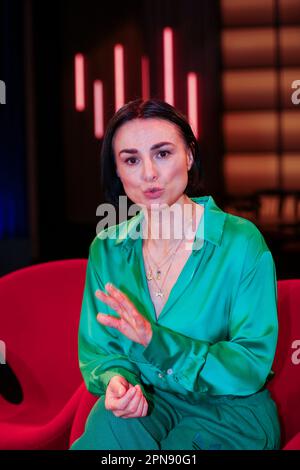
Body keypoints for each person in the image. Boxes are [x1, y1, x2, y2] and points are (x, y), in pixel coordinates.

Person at [69, 98, 281, 450]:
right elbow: (101, 351)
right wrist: (116, 382)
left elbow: (250, 363)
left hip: (229, 410)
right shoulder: (106, 249)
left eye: (163, 153)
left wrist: (156, 342)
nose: (149, 173)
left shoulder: (241, 243)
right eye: (132, 160)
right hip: (152, 403)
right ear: (118, 172)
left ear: (189, 156)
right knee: (106, 428)